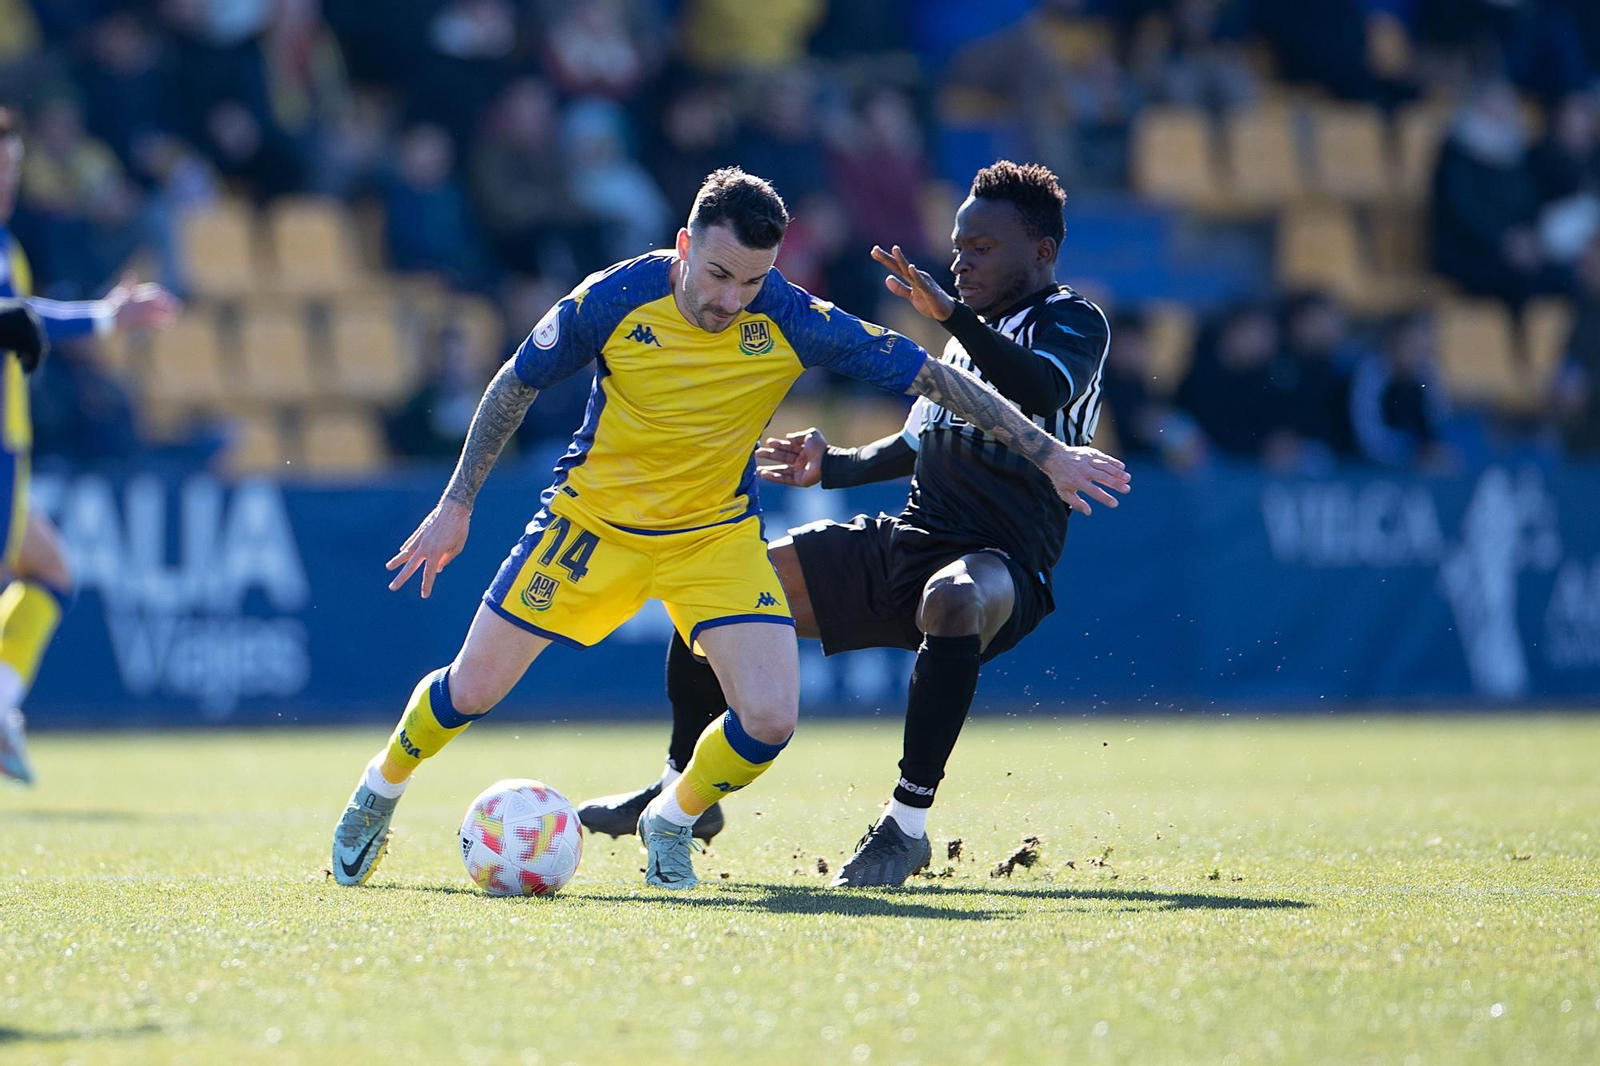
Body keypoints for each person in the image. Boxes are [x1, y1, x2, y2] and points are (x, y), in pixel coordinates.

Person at [329, 166, 1130, 890]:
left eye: (751, 280)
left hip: (713, 539)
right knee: (471, 689)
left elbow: (930, 377)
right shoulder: (613, 297)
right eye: (717, 275)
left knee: (771, 720)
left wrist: (1049, 452)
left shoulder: (793, 316)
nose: (730, 300)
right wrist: (457, 502)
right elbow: (514, 384)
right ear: (684, 247)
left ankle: (673, 817)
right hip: (592, 526)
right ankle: (378, 789)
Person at [578, 162, 1121, 887]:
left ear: (1042, 252)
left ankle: (905, 827)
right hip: (910, 540)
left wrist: (952, 318)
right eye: (958, 247)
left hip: (1003, 562)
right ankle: (684, 794)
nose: (961, 262)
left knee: (953, 599)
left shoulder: (1072, 320)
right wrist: (830, 466)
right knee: (721, 592)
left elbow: (1043, 388)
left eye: (982, 248)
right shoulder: (965, 340)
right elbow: (920, 442)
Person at [0, 106, 180, 785]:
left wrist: (105, 316)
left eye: (12, 166)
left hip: (10, 448)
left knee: (51, 572)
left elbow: (24, 318)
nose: (7, 179)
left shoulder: (7, 245)